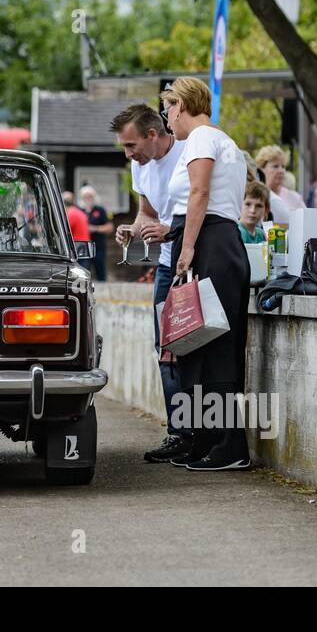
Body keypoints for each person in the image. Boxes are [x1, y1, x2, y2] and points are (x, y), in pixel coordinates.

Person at [159, 78, 251, 470]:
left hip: (209, 241)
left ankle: (229, 446)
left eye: (167, 110)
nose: (167, 120)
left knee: (212, 348)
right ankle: (211, 439)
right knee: (207, 346)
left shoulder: (198, 139)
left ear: (180, 105)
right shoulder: (226, 141)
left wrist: (189, 248)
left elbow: (199, 193)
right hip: (219, 240)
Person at [110, 102, 188, 460]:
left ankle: (199, 432)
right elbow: (147, 213)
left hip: (194, 263)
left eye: (131, 146)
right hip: (167, 265)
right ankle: (178, 432)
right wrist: (133, 229)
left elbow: (210, 210)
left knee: (193, 349)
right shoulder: (140, 167)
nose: (128, 154)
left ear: (153, 135)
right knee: (165, 350)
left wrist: (170, 231)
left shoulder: (189, 154)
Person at [255, 145, 305, 212]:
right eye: (275, 166)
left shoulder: (295, 199)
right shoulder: (253, 196)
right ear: (261, 169)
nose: (281, 171)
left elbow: (308, 220)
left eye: (283, 166)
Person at [79, 186, 113, 281]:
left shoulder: (100, 210)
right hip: (83, 247)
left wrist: (95, 229)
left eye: (90, 196)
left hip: (98, 246)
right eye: (85, 196)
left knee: (100, 271)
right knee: (83, 273)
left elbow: (109, 227)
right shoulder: (79, 210)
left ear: (94, 197)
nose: (88, 199)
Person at [63, 191, 94, 271]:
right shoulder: (79, 212)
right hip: (85, 245)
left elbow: (65, 231)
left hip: (78, 246)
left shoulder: (71, 214)